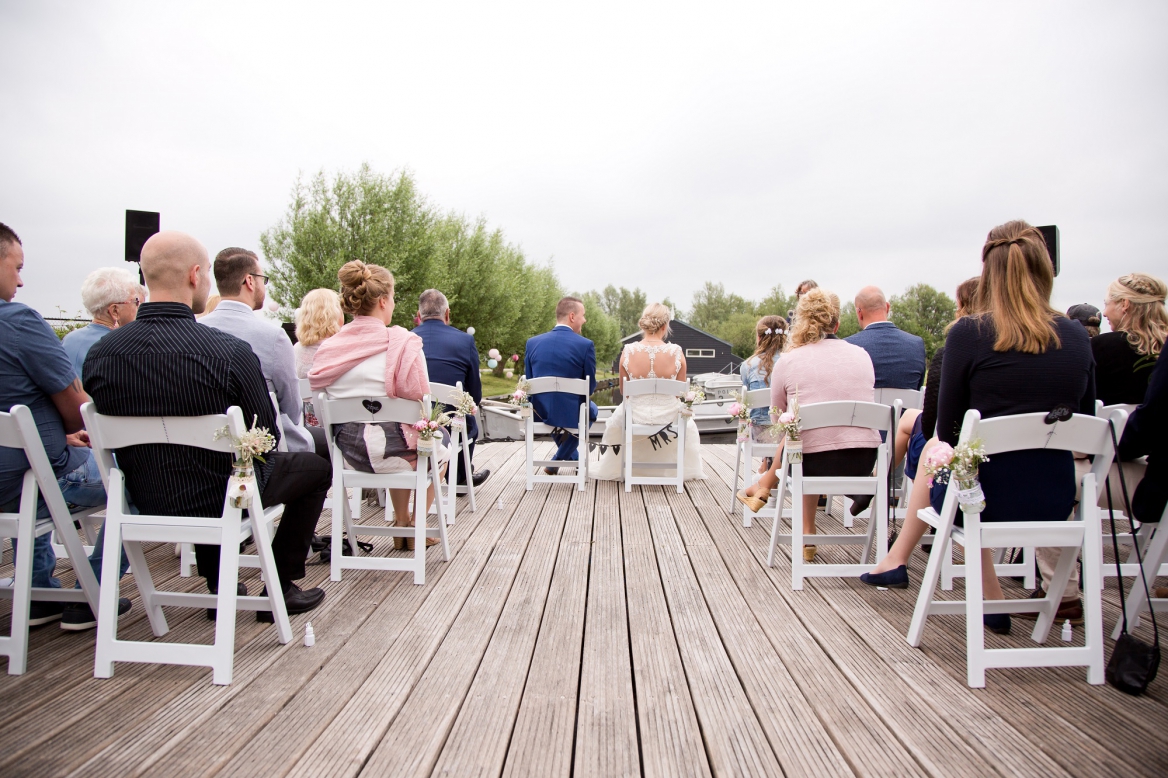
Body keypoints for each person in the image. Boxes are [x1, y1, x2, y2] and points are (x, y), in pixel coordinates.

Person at [861, 220, 1095, 636]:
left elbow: (948, 432)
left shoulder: (969, 334)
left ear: (988, 273)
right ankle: (991, 598)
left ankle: (963, 589)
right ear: (1044, 270)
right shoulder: (1077, 337)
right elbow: (1087, 413)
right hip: (1055, 499)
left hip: (980, 499)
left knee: (959, 470)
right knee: (974, 475)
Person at [84, 231, 327, 619]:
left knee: (203, 468)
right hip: (223, 497)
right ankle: (279, 586)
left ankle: (223, 586)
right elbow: (263, 437)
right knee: (313, 467)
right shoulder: (228, 353)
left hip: (142, 498)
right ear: (195, 275)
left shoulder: (100, 355)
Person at [0, 223, 131, 630]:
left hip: (17, 466)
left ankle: (38, 592)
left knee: (35, 459)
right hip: (25, 477)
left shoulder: (70, 337)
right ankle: (90, 590)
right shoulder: (18, 322)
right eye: (16, 267)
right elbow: (78, 412)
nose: (21, 281)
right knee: (137, 476)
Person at [308, 261, 446, 548]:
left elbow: (320, 411)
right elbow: (422, 404)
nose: (393, 304)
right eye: (393, 298)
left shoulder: (329, 348)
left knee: (400, 438)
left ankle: (401, 522)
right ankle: (416, 525)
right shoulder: (405, 344)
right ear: (383, 301)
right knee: (434, 443)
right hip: (393, 451)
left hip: (348, 454)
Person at [737, 289, 880, 562]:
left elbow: (778, 419)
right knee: (806, 440)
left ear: (800, 323)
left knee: (798, 440)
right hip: (861, 462)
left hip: (810, 462)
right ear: (836, 324)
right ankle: (805, 528)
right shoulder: (862, 355)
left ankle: (770, 493)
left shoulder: (790, 361)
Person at [199, 248, 326, 459]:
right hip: (267, 448)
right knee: (322, 455)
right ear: (249, 281)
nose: (264, 286)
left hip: (208, 446)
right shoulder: (273, 337)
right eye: (263, 279)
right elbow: (292, 410)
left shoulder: (196, 330)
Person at [593, 303, 705, 482]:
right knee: (688, 422)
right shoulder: (676, 352)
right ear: (665, 325)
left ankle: (629, 470)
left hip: (635, 414)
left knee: (618, 417)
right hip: (668, 416)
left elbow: (624, 391)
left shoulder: (628, 351)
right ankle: (672, 472)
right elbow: (680, 393)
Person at [893, 277, 980, 482]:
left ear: (963, 306)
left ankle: (878, 485)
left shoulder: (952, 350)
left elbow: (932, 421)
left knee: (916, 425)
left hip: (955, 452)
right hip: (999, 451)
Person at [412, 288, 490, 487]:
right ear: (447, 314)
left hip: (411, 421)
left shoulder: (406, 340)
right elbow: (474, 394)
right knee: (467, 419)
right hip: (449, 422)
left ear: (419, 316)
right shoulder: (465, 340)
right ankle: (461, 478)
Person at [524, 296, 598, 471]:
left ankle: (560, 461)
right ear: (572, 317)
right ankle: (559, 460)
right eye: (583, 315)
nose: (585, 320)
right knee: (592, 410)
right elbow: (590, 388)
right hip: (571, 412)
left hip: (539, 411)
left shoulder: (532, 343)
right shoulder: (585, 345)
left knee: (549, 409)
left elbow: (529, 381)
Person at [1094, 273, 1166, 406]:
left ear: (1124, 304)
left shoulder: (1102, 347)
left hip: (1118, 425)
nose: (1104, 313)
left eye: (1107, 304)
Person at [61, 267, 144, 381]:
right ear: (114, 310)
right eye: (135, 301)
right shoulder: (123, 346)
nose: (138, 307)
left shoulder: (69, 339)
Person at [844, 285, 926, 390]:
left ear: (859, 313)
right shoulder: (916, 344)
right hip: (905, 407)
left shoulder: (848, 346)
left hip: (866, 407)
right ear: (887, 307)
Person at [293, 288, 344, 427]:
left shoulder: (296, 350)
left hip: (306, 428)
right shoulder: (342, 349)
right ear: (335, 315)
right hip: (339, 428)